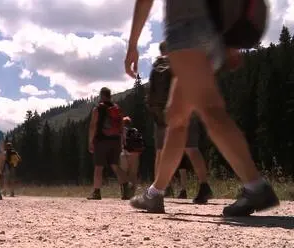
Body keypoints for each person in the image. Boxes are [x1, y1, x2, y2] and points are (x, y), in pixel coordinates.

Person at [125, 0, 279, 216]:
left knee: (210, 110)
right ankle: (155, 194)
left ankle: (255, 186)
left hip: (186, 30)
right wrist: (232, 37)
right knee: (177, 117)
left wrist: (132, 44)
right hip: (215, 31)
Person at [146, 41, 213, 204]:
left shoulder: (159, 66)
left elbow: (153, 95)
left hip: (165, 114)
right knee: (192, 149)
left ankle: (156, 191)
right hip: (189, 111)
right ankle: (204, 186)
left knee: (161, 152)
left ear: (161, 51)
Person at [87, 87, 131, 200]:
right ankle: (126, 188)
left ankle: (96, 192)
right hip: (115, 140)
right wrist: (121, 140)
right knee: (115, 165)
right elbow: (121, 126)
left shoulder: (98, 109)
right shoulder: (117, 109)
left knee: (98, 167)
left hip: (101, 140)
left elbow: (93, 126)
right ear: (110, 96)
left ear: (101, 95)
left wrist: (91, 141)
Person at [119, 116, 144, 194]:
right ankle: (132, 193)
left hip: (124, 154)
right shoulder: (135, 131)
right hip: (135, 154)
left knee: (123, 173)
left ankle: (124, 193)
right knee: (133, 174)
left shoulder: (121, 131)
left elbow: (120, 143)